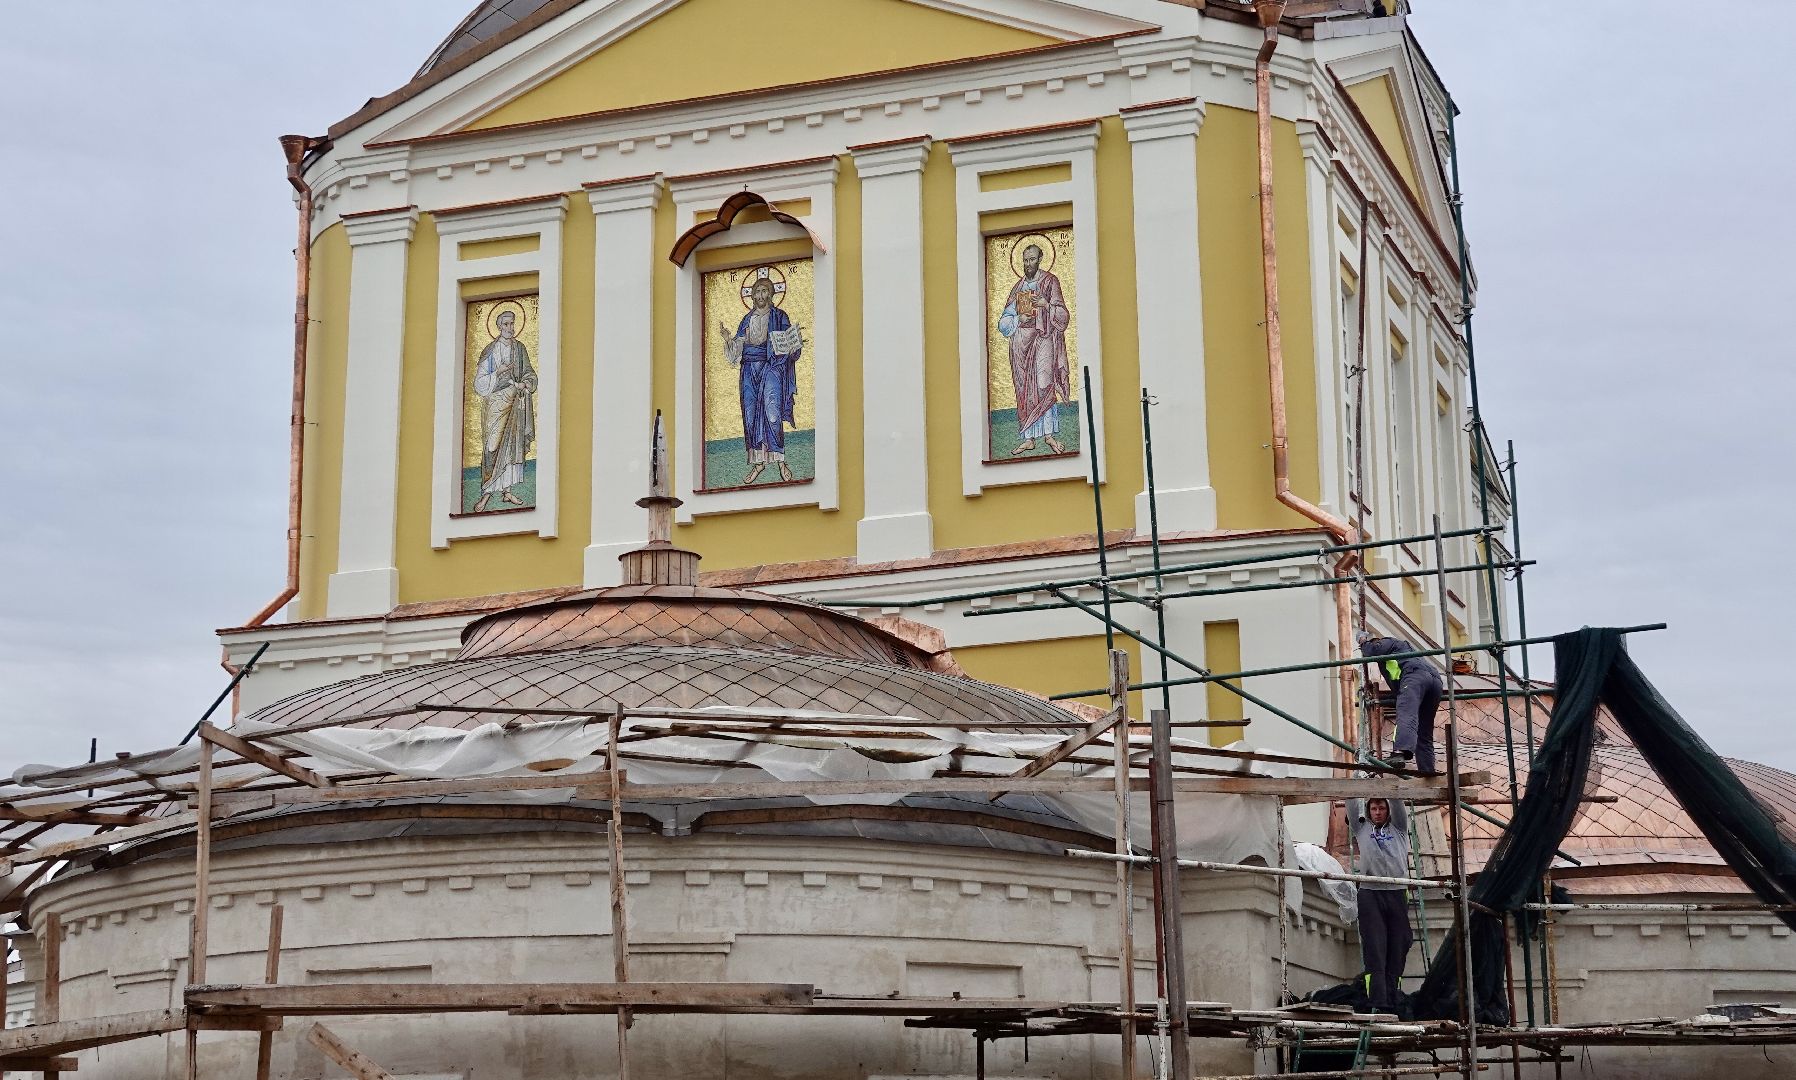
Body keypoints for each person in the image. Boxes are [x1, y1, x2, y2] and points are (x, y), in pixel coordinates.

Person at [718, 274, 803, 485]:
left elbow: (790, 346)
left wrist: (794, 345)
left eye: (765, 291)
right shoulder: (747, 320)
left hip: (771, 367)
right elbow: (736, 350)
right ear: (752, 296)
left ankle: (780, 460)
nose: (760, 295)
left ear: (772, 294)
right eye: (757, 292)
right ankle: (758, 463)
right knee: (750, 413)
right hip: (748, 369)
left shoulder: (780, 316)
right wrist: (729, 339)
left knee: (771, 411)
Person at [997, 243, 1072, 455]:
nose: (1028, 264)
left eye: (1032, 259)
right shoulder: (1018, 288)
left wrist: (1046, 304)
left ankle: (1049, 436)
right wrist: (1017, 319)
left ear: (1039, 260)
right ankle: (1028, 438)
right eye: (1025, 260)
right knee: (1023, 390)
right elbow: (1003, 321)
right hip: (1021, 345)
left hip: (1044, 340)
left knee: (1043, 384)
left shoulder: (1050, 282)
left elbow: (1063, 316)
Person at [1348, 796, 1412, 1012]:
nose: (1377, 812)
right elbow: (1350, 802)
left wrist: (1383, 779)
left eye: (1381, 808)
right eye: (1373, 808)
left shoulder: (1399, 828)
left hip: (1396, 891)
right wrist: (1359, 778)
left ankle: (1393, 996)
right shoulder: (1361, 828)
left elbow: (1396, 800)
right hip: (1370, 893)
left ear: (1387, 810)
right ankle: (1378, 1001)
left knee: (1400, 944)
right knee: (1375, 948)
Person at [471, 308, 537, 513]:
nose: (510, 328)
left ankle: (507, 492)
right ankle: (486, 493)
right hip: (495, 404)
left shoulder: (520, 349)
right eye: (506, 324)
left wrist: (524, 384)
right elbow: (479, 383)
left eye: (512, 323)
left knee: (512, 446)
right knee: (492, 446)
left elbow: (529, 373)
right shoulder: (490, 351)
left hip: (515, 403)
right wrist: (497, 373)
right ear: (499, 326)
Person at [1358, 632, 1443, 774]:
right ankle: (1427, 771)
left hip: (1414, 676)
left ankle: (1399, 753)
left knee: (1406, 711)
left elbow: (1371, 651)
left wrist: (1362, 641)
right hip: (1435, 682)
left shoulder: (1390, 643)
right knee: (1424, 731)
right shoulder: (1405, 654)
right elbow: (1398, 685)